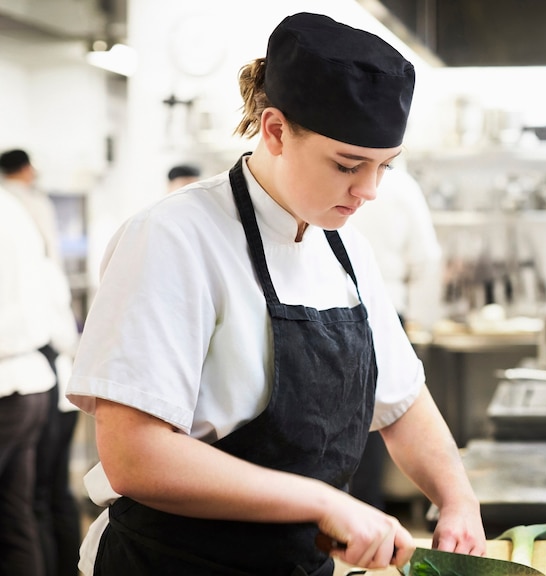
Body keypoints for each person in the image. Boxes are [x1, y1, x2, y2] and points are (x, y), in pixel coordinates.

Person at [66, 12, 485, 576]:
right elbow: (134, 456)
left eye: (385, 167)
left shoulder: (346, 249)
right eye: (348, 165)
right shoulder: (174, 238)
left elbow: (402, 401)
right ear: (275, 131)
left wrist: (457, 498)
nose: (369, 190)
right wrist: (321, 502)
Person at [0, 149, 82, 576]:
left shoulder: (15, 207)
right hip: (34, 379)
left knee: (36, 505)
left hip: (15, 381)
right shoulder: (16, 210)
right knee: (22, 513)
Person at [346, 163, 443, 511]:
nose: (366, 190)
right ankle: (365, 509)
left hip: (358, 310)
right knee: (370, 422)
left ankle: (356, 514)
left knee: (359, 417)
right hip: (391, 309)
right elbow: (427, 259)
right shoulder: (402, 187)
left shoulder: (339, 185)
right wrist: (421, 319)